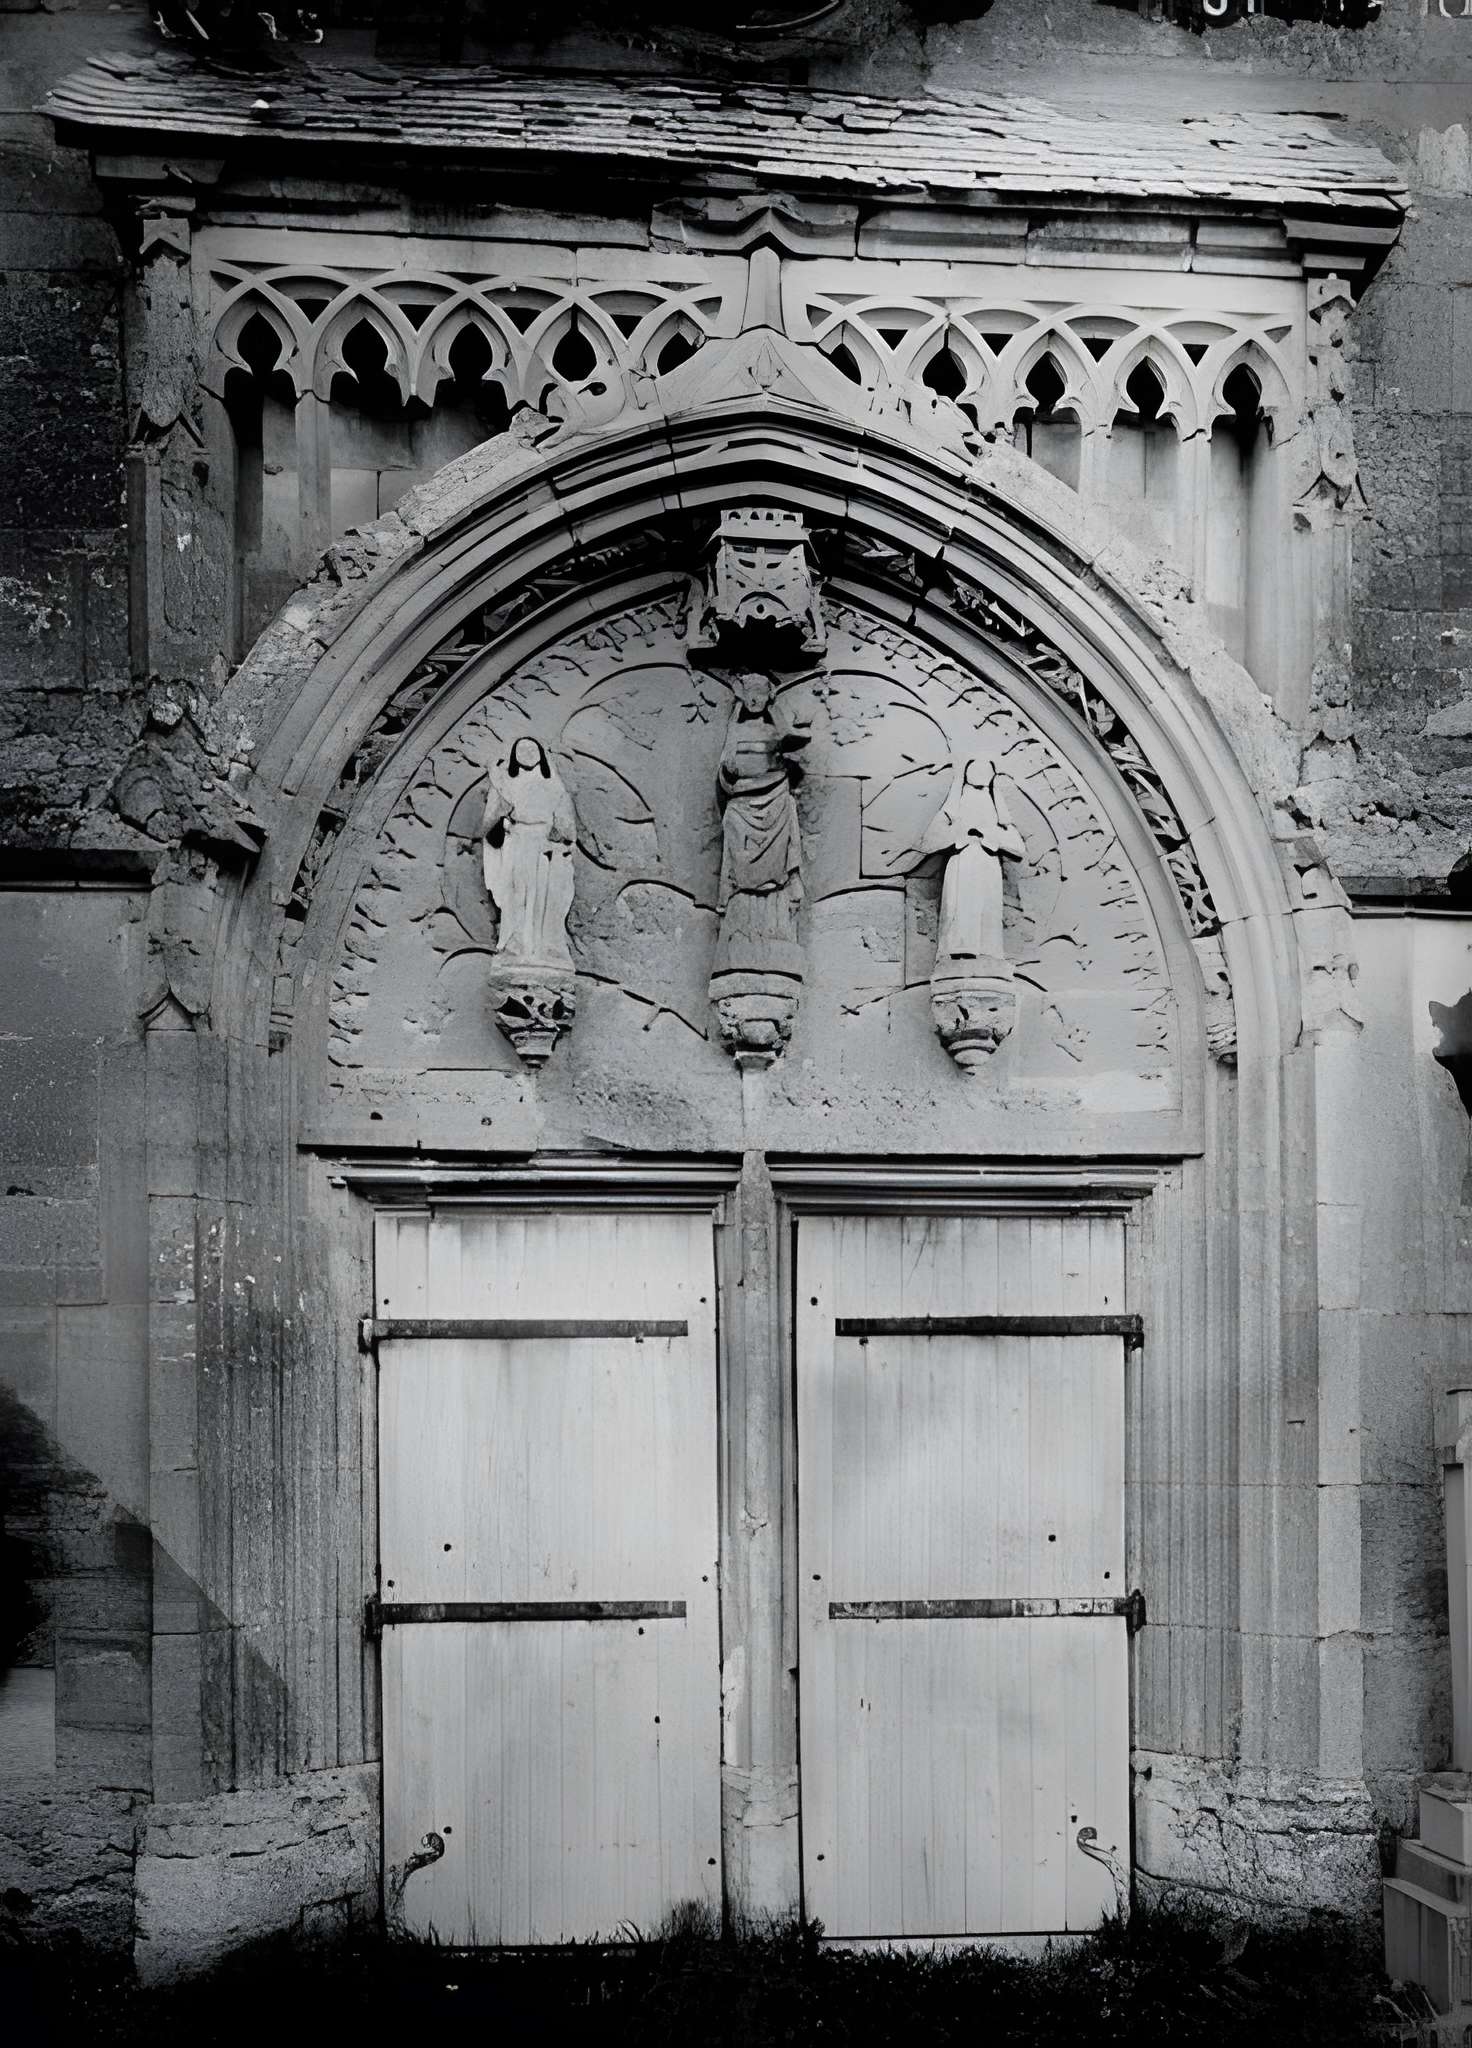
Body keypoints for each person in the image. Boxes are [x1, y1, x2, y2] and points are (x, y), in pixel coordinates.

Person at [481, 736, 577, 971]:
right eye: (522, 748)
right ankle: (516, 946)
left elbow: (567, 826)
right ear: (513, 753)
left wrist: (558, 835)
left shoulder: (554, 786)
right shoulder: (506, 785)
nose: (527, 752)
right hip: (518, 845)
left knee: (546, 897)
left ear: (542, 754)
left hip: (546, 849)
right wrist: (504, 820)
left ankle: (544, 948)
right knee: (517, 895)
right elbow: (489, 824)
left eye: (532, 748)